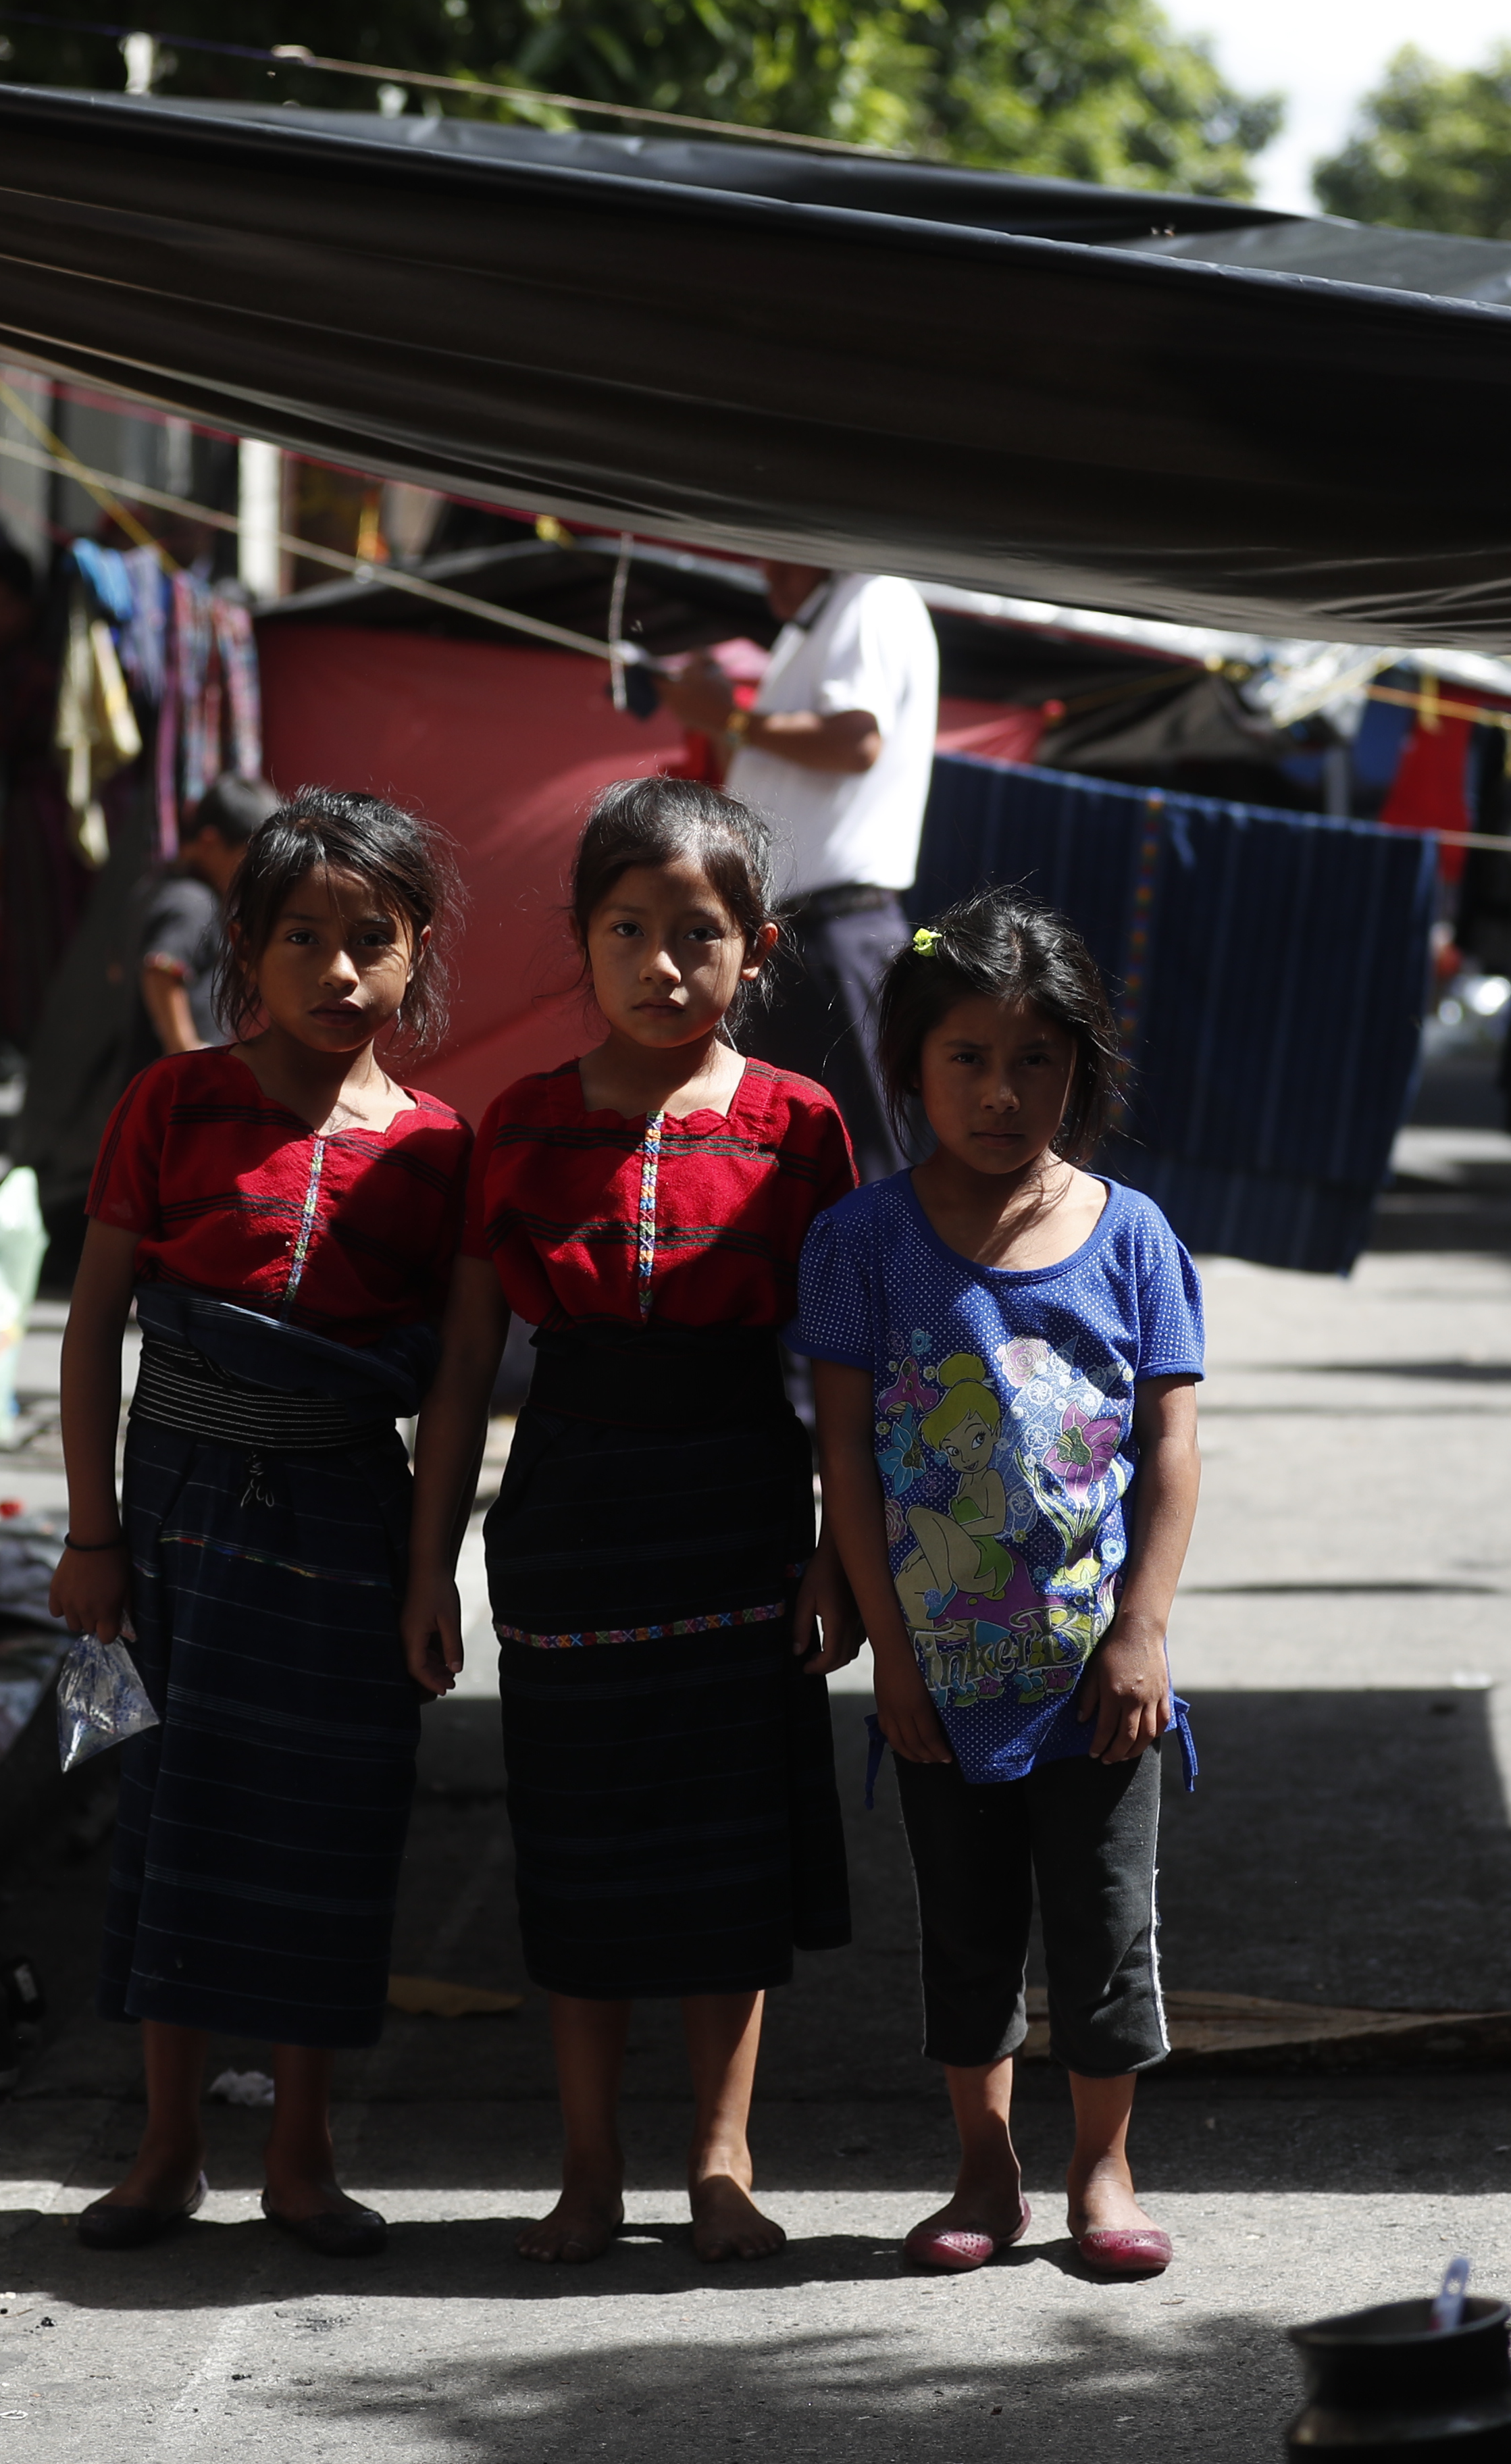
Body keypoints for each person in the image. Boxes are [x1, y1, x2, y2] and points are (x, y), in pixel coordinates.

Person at [401, 776, 862, 2266]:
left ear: (759, 948)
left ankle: (719, 2160)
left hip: (737, 1504)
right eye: (630, 929)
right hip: (573, 1520)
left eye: (700, 933)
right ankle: (587, 2167)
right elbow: (467, 1360)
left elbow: (846, 1368)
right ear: (580, 943)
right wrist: (432, 1563)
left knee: (729, 1857)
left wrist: (834, 1555)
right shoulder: (520, 1126)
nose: (665, 963)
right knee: (582, 1856)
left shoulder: (802, 1128)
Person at [46, 789, 470, 2260]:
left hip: (346, 1522)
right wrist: (92, 1534)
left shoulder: (436, 1151)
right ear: (245, 946)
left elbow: (457, 1385)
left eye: (374, 940)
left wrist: (432, 1571)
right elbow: (96, 1325)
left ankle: (303, 2153)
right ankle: (166, 2150)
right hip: (171, 1521)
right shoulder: (169, 1106)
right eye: (304, 938)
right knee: (171, 1817)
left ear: (419, 957)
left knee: (328, 1830)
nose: (339, 971)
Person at [794, 891, 1205, 2282]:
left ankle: (1104, 2165)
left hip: (1098, 1676)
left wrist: (1142, 1631)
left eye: (1036, 1059)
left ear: (1080, 1072)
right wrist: (888, 1657)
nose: (1001, 1090)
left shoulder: (1134, 1236)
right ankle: (985, 2164)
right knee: (968, 1934)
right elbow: (844, 1456)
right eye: (966, 1056)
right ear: (909, 1063)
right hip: (940, 1679)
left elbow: (1173, 1451)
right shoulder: (863, 1244)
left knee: (1102, 1931)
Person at [661, 563, 938, 1181]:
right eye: (761, 557)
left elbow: (855, 742)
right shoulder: (811, 629)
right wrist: (720, 719)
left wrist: (732, 720)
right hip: (793, 931)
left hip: (837, 929)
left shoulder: (872, 595)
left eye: (782, 555)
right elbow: (781, 774)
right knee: (779, 1157)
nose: (768, 572)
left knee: (863, 1157)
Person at [11, 775, 282, 1260]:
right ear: (209, 842)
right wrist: (186, 1048)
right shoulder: (191, 902)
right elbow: (162, 967)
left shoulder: (155, 888)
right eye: (246, 858)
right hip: (176, 1087)